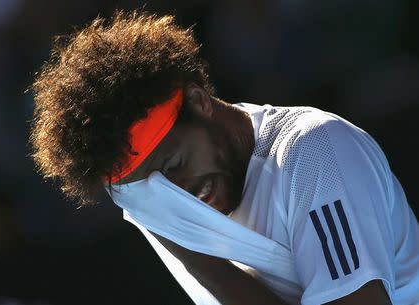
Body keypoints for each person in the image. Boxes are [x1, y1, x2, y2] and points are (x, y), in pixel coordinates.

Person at [29, 10, 419, 305]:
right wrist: (169, 228)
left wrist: (190, 248)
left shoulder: (316, 151)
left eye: (174, 165)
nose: (179, 194)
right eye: (155, 191)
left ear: (199, 103)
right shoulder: (164, 205)